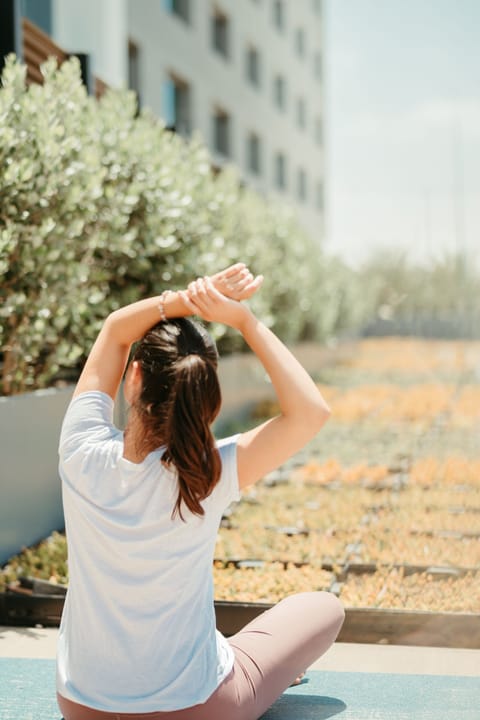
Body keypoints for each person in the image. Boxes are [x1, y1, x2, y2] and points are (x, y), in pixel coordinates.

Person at [56, 263, 345, 720]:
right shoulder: (206, 473)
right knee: (322, 607)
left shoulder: (79, 449)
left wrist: (184, 300)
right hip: (198, 709)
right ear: (207, 392)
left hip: (84, 707)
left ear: (133, 380)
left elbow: (114, 330)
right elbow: (310, 412)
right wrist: (244, 321)